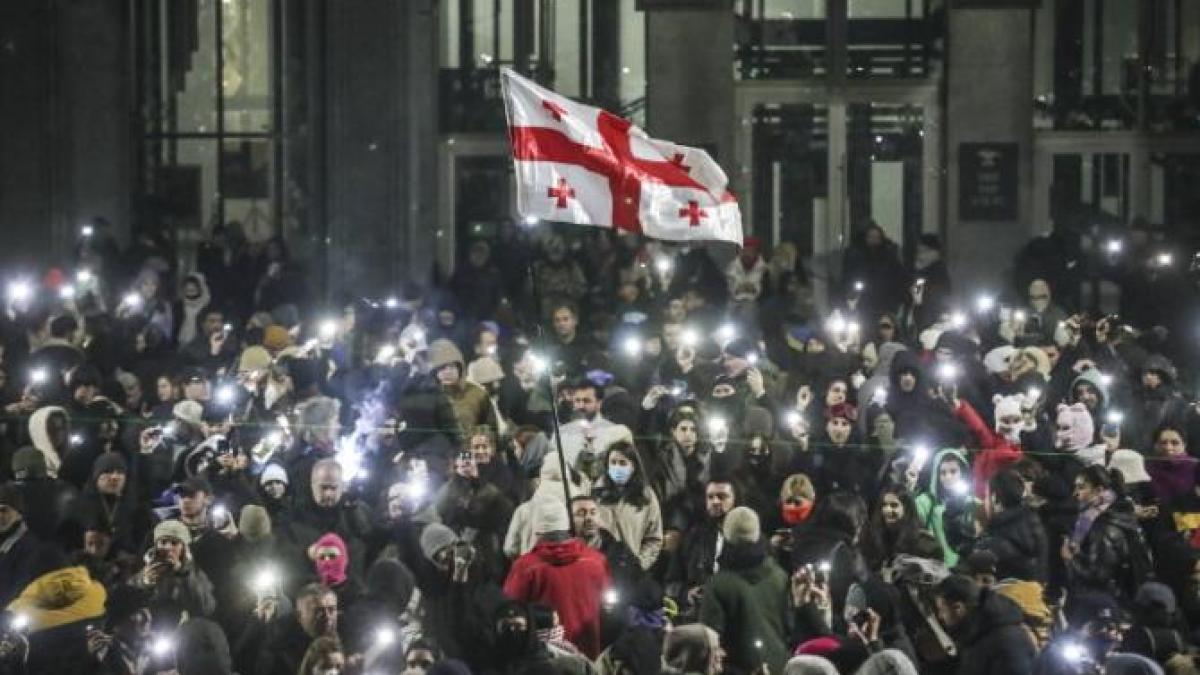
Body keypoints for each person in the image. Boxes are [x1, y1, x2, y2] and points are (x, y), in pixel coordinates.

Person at [503, 499, 611, 658]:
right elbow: (606, 605)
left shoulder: (525, 567)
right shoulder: (597, 561)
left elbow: (511, 608)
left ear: (537, 530)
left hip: (545, 656)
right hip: (587, 652)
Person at [699, 506, 792, 675]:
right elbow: (791, 628)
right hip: (781, 667)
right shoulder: (780, 576)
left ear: (726, 535)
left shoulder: (718, 585)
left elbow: (709, 645)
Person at [1062, 465, 1152, 607]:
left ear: (1099, 490)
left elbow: (1099, 575)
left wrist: (1070, 559)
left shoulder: (1104, 526)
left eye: (1081, 487)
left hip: (1104, 604)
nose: (1075, 493)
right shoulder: (1117, 515)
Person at [933, 574, 1036, 675]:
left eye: (942, 610)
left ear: (958, 608)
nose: (940, 616)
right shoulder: (979, 631)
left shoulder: (1004, 641)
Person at [591, 442, 664, 570]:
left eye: (622, 463)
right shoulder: (596, 493)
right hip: (598, 568)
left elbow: (654, 539)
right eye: (613, 462)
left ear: (633, 466)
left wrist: (639, 564)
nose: (617, 467)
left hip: (630, 571)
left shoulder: (646, 496)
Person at [972, 470, 1049, 583]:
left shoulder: (993, 542)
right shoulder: (1034, 521)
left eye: (986, 496)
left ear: (994, 498)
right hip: (1034, 596)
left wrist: (979, 539)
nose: (985, 502)